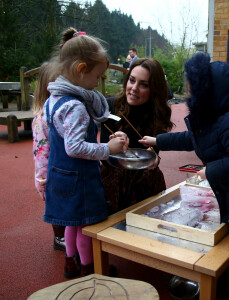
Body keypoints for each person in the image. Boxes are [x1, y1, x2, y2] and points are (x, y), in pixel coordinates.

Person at [139, 52, 229, 268]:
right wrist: (157, 141)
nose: (191, 91)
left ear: (210, 92)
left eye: (195, 87)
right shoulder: (208, 121)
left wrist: (210, 171)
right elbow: (188, 139)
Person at [43, 27, 129, 278]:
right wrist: (107, 149)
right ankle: (90, 270)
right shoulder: (76, 107)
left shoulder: (53, 99)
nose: (99, 82)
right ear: (81, 70)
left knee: (71, 225)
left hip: (60, 176)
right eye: (98, 76)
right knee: (86, 228)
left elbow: (61, 137)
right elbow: (75, 147)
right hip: (79, 180)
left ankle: (70, 263)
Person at [100, 57, 173, 215]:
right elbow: (103, 159)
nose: (134, 88)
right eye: (131, 80)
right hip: (114, 178)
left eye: (143, 85)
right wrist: (112, 145)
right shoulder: (111, 106)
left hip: (145, 179)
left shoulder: (158, 114)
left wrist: (155, 159)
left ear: (154, 89)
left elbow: (153, 155)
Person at [32, 59, 66, 252]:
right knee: (57, 205)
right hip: (50, 173)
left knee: (66, 204)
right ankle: (59, 237)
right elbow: (41, 152)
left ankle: (64, 234)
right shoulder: (42, 118)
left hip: (61, 168)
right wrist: (43, 179)